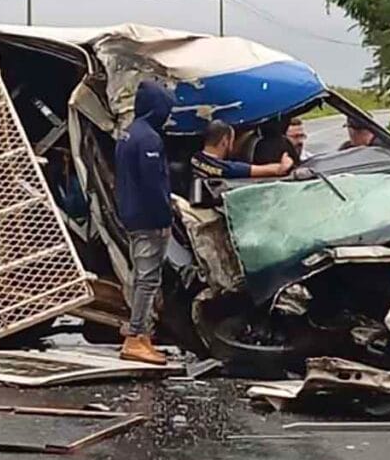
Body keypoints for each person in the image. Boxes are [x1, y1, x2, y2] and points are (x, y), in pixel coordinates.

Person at [114, 80, 177, 365]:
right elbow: (153, 185)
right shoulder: (149, 139)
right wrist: (166, 215)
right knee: (148, 280)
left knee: (142, 277)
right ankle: (136, 337)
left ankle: (142, 337)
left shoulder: (128, 134)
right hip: (148, 219)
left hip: (130, 214)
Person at [191, 120, 294, 179]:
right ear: (225, 141)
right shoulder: (224, 169)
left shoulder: (195, 158)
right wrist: (280, 167)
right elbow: (237, 169)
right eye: (233, 139)